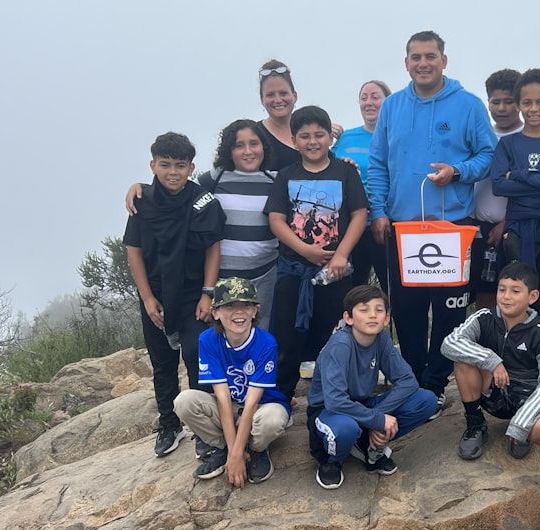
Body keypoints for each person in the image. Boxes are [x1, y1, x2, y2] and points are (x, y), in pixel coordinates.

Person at [367, 30, 498, 410]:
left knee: (449, 310)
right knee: (407, 309)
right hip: (403, 228)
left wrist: (457, 171)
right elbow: (378, 163)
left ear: (444, 60)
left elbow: (488, 156)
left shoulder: (468, 105)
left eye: (430, 56)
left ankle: (437, 382)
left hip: (453, 226)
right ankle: (411, 380)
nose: (422, 63)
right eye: (415, 57)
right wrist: (378, 210)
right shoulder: (392, 106)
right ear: (406, 62)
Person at [125, 120, 285, 328]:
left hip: (264, 276)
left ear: (263, 146)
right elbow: (177, 186)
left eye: (254, 144)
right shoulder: (213, 180)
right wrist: (139, 188)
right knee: (219, 339)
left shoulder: (277, 181)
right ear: (228, 149)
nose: (248, 151)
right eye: (239, 145)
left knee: (259, 337)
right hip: (220, 278)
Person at [123, 132, 225, 456]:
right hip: (155, 294)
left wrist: (208, 294)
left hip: (194, 293)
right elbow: (134, 251)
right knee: (162, 362)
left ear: (191, 167)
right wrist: (147, 298)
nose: (172, 172)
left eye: (180, 165)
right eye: (165, 165)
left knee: (197, 355)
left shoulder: (203, 201)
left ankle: (204, 429)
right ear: (153, 165)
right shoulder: (142, 201)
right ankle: (169, 424)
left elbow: (213, 248)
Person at [265, 105, 368, 405]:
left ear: (329, 138)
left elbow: (360, 215)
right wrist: (305, 250)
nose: (313, 142)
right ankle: (280, 399)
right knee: (285, 339)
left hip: (335, 273)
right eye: (305, 136)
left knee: (336, 337)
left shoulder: (345, 172)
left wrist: (341, 256)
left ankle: (333, 400)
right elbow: (276, 220)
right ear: (295, 140)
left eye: (319, 135)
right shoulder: (286, 175)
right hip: (293, 272)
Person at [306, 284, 439, 489]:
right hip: (328, 411)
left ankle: (368, 445)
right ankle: (331, 461)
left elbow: (408, 381)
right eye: (364, 310)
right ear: (348, 318)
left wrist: (376, 420)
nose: (372, 316)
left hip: (363, 404)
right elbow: (335, 401)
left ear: (387, 319)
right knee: (346, 428)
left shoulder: (381, 339)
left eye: (379, 310)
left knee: (427, 400)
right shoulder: (341, 344)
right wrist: (376, 420)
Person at [173, 277, 291, 485]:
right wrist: (233, 453)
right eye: (229, 305)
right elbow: (223, 398)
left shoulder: (265, 343)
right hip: (231, 406)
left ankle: (255, 450)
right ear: (216, 312)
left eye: (246, 305)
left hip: (260, 407)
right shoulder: (208, 340)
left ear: (255, 310)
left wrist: (237, 455)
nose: (239, 312)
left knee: (273, 419)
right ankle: (224, 449)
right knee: (184, 401)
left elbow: (253, 402)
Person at [441, 261, 540, 460]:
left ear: (532, 297)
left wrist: (521, 424)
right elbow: (450, 343)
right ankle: (475, 424)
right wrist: (492, 361)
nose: (506, 297)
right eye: (502, 289)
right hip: (494, 390)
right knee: (462, 362)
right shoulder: (484, 317)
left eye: (515, 291)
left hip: (527, 396)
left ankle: (523, 432)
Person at [490, 68, 540, 339]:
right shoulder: (508, 145)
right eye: (527, 102)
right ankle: (515, 359)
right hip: (517, 231)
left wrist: (520, 175)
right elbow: (499, 185)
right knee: (514, 298)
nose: (533, 109)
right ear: (519, 104)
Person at [333, 80, 393, 291]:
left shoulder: (397, 136)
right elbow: (323, 168)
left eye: (375, 97)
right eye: (364, 97)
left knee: (392, 290)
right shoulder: (345, 138)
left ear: (388, 102)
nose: (369, 102)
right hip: (350, 226)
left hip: (385, 223)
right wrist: (324, 131)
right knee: (352, 289)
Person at [472, 69, 523, 310]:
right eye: (495, 102)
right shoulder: (479, 135)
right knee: (482, 296)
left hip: (512, 229)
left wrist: (508, 221)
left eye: (509, 101)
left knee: (511, 295)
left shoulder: (528, 137)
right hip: (476, 229)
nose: (502, 108)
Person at [257, 60, 343, 171]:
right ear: (262, 100)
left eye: (283, 93)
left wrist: (347, 166)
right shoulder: (254, 135)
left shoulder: (317, 133)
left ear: (294, 96)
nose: (278, 100)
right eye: (270, 95)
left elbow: (331, 168)